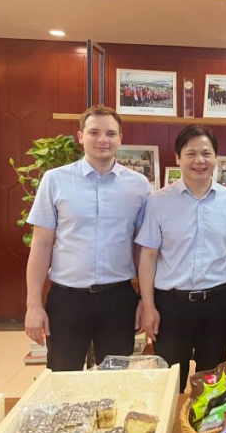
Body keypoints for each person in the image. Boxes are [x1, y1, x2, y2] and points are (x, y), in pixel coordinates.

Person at [24, 105, 151, 371]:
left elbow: (144, 249)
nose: (103, 139)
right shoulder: (55, 180)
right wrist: (33, 305)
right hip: (67, 299)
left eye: (110, 133)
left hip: (118, 299)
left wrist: (144, 301)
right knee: (63, 377)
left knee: (115, 379)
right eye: (94, 132)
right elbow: (41, 245)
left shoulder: (139, 185)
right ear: (81, 136)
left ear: (120, 139)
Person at [137, 125, 226, 391]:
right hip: (171, 306)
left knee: (212, 386)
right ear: (178, 158)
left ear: (216, 158)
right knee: (170, 385)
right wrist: (148, 306)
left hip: (217, 304)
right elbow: (148, 257)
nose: (199, 160)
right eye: (191, 153)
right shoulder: (158, 201)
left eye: (206, 153)